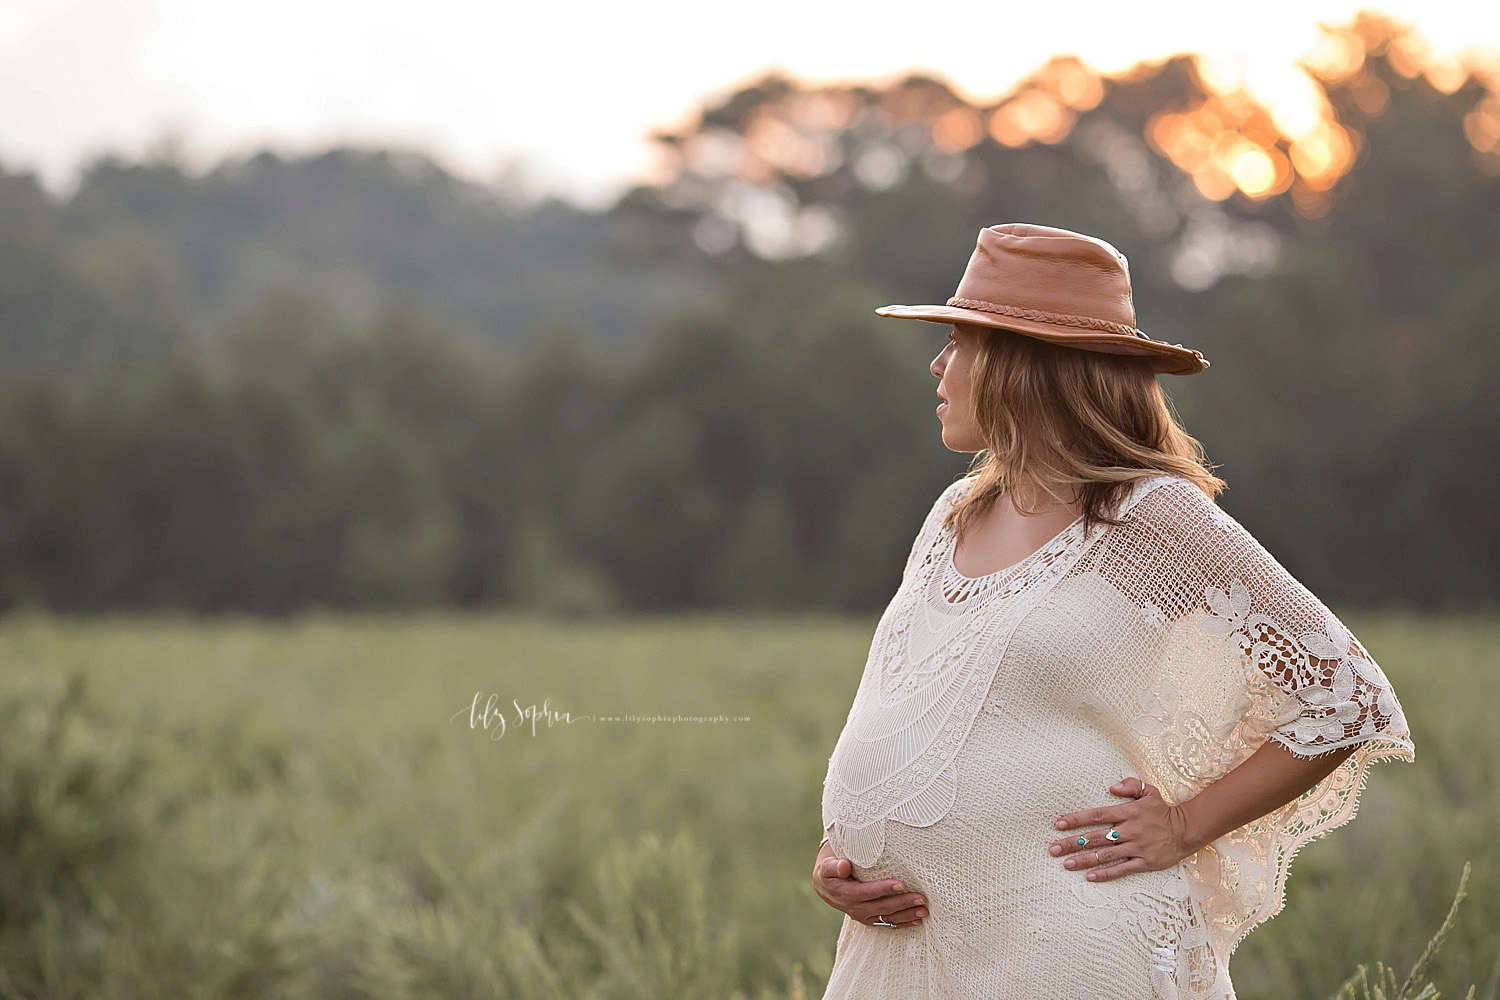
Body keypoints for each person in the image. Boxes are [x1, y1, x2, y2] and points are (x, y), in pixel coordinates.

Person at [810, 224, 1414, 999]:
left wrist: (1188, 826)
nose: (937, 365)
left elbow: (1350, 696)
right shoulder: (957, 510)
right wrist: (841, 852)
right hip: (907, 953)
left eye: (959, 341)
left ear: (1024, 366)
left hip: (1065, 948)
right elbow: (908, 702)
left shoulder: (1153, 521)